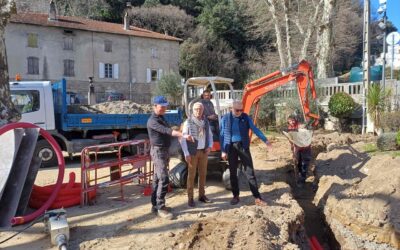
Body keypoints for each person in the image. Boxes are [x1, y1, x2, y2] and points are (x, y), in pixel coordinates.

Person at [147, 96, 193, 219]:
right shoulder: (153, 121)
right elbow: (167, 131)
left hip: (163, 151)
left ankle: (155, 205)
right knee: (164, 179)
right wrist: (182, 134)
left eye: (165, 106)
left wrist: (177, 129)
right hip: (158, 152)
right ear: (155, 106)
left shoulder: (161, 118)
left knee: (157, 179)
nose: (164, 109)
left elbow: (169, 129)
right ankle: (160, 208)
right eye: (162, 107)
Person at [219, 100, 272, 206]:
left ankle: (257, 197)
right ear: (232, 109)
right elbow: (222, 135)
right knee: (233, 173)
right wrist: (223, 150)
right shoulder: (225, 118)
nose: (239, 112)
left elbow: (255, 129)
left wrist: (265, 140)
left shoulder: (245, 117)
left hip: (243, 147)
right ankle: (235, 196)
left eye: (241, 110)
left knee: (250, 173)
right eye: (237, 110)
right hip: (231, 147)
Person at [180, 102, 214, 207]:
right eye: (196, 109)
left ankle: (201, 196)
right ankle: (190, 198)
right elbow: (183, 138)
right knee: (191, 176)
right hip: (192, 153)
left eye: (200, 109)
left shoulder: (206, 122)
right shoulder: (188, 122)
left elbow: (210, 135)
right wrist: (186, 153)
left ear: (203, 110)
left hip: (203, 152)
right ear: (193, 110)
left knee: (203, 174)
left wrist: (209, 146)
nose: (198, 111)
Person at [287, 115, 312, 187]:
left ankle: (302, 180)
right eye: (290, 121)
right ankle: (299, 177)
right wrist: (293, 148)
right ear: (288, 121)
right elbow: (291, 140)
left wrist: (295, 152)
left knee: (304, 164)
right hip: (297, 147)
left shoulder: (300, 127)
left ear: (296, 120)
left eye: (293, 120)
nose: (292, 122)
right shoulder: (290, 128)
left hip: (305, 148)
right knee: (298, 163)